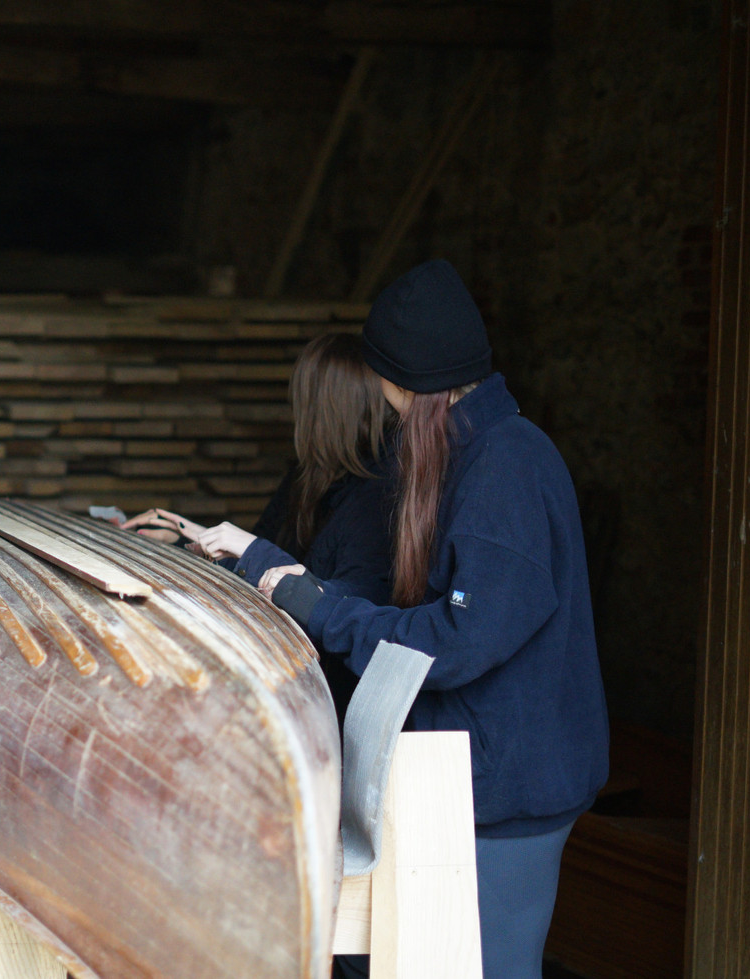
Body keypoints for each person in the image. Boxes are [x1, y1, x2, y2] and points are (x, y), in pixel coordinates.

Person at [261, 260, 609, 979]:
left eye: (389, 399)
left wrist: (322, 610)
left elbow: (453, 647)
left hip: (506, 801)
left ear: (419, 391)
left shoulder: (505, 470)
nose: (386, 417)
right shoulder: (475, 453)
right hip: (470, 785)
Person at [119, 332, 394, 719]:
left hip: (320, 699)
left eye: (303, 400)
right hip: (281, 673)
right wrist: (186, 539)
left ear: (324, 408)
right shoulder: (307, 477)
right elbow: (253, 565)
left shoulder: (379, 497)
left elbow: (345, 608)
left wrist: (233, 546)